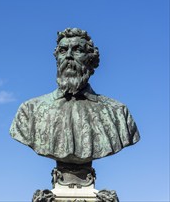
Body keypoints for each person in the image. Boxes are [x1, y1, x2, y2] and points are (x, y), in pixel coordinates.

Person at [10, 28, 140, 165]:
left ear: (90, 60)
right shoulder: (30, 110)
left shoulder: (117, 112)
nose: (69, 56)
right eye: (63, 51)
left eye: (77, 50)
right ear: (57, 59)